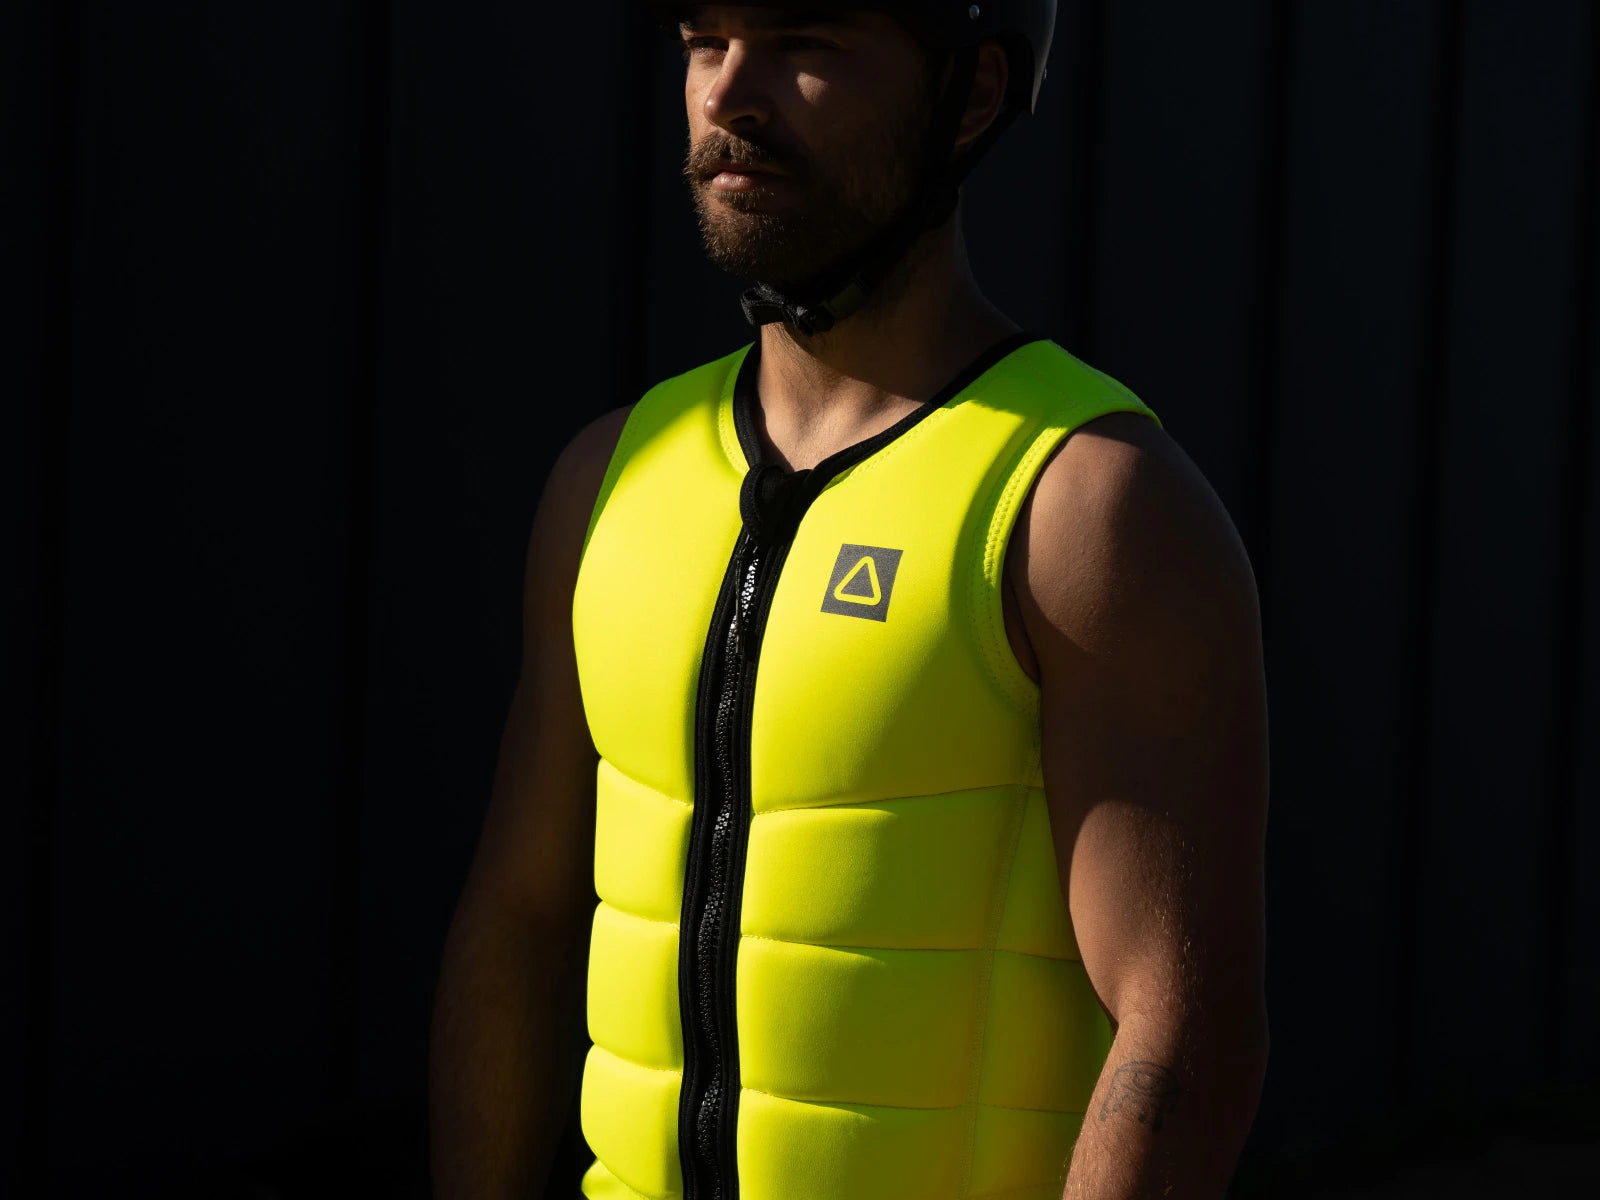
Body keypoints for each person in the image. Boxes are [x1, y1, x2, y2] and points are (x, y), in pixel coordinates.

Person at [428, 3, 1270, 1198]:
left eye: (803, 44)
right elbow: (518, 924)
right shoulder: (610, 477)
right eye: (704, 41)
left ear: (971, 93)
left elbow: (1183, 1037)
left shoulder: (1087, 509)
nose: (727, 95)